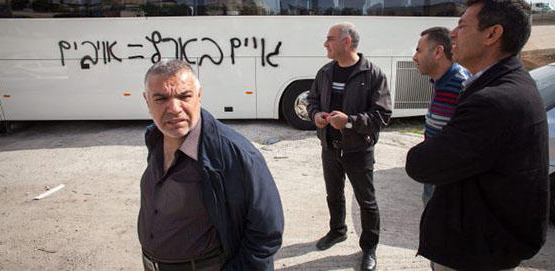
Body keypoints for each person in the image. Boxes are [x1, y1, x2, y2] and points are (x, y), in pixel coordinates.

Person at [406, 0, 549, 271]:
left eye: (462, 26)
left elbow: (421, 165)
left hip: (476, 251)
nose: (452, 34)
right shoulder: (509, 81)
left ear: (492, 34)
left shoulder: (493, 101)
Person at [138, 59, 284, 271]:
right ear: (147, 101)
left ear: (199, 96)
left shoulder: (236, 154)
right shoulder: (155, 138)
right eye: (161, 98)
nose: (174, 108)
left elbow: (266, 232)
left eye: (184, 96)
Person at [307, 22, 392, 271]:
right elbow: (311, 100)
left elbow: (382, 115)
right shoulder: (325, 72)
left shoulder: (372, 74)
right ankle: (337, 231)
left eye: (330, 39)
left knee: (366, 201)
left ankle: (369, 248)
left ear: (346, 42)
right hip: (330, 147)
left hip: (358, 150)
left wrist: (351, 122)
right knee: (334, 195)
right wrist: (316, 115)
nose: (325, 44)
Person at [412, 26, 470, 206]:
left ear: (438, 52)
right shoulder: (440, 80)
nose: (414, 57)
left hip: (447, 177)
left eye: (419, 50)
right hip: (435, 169)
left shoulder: (461, 84)